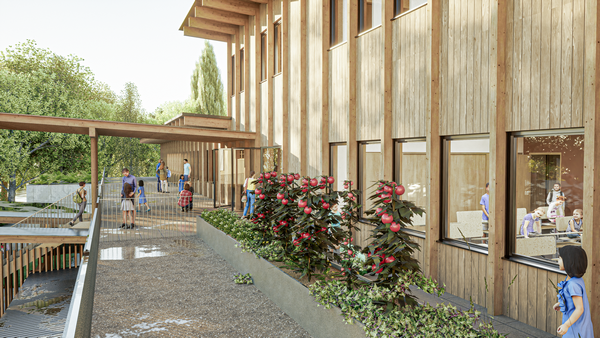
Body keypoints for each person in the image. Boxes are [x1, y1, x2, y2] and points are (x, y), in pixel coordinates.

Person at [553, 246, 594, 337]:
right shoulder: (574, 280)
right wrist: (560, 303)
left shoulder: (572, 284)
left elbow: (579, 308)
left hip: (576, 326)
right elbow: (572, 298)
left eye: (560, 259)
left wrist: (566, 325)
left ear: (569, 262)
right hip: (576, 323)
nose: (558, 261)